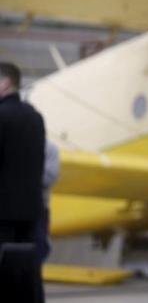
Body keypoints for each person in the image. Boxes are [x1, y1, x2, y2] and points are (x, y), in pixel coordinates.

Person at [0, 62, 46, 302]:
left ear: (5, 83)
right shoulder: (35, 118)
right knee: (27, 271)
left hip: (2, 211)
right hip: (30, 210)